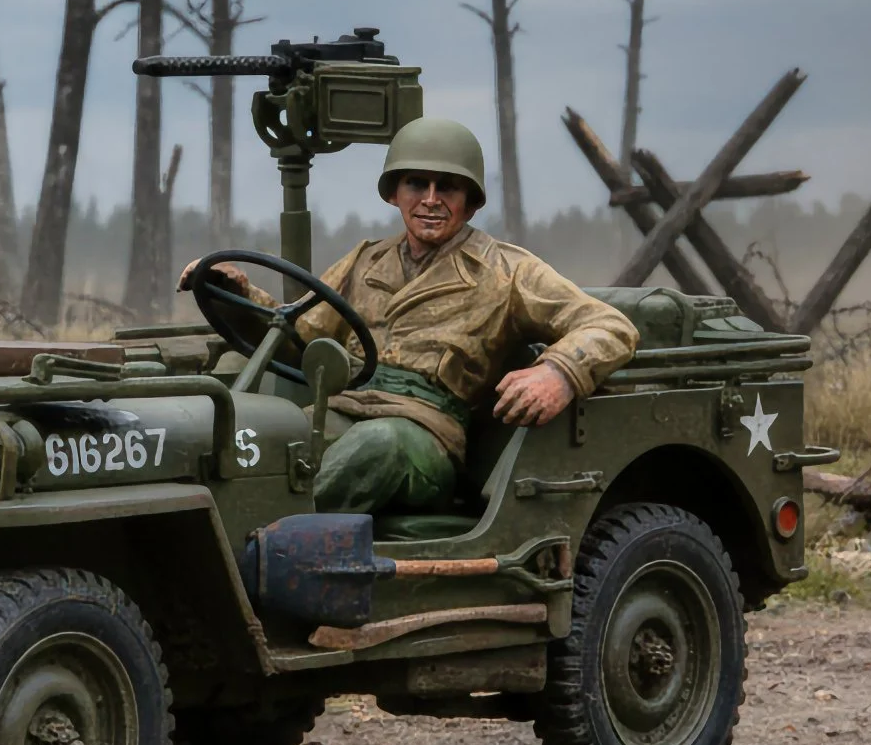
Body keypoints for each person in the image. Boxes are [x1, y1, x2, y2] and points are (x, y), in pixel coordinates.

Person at [180, 116, 638, 532]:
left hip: (424, 437)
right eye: (417, 184)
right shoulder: (365, 261)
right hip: (344, 409)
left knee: (379, 447)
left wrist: (558, 372)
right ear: (394, 193)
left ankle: (256, 542)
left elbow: (610, 326)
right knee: (260, 437)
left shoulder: (506, 271)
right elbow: (299, 338)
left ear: (471, 202)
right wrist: (238, 294)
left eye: (449, 188)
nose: (432, 200)